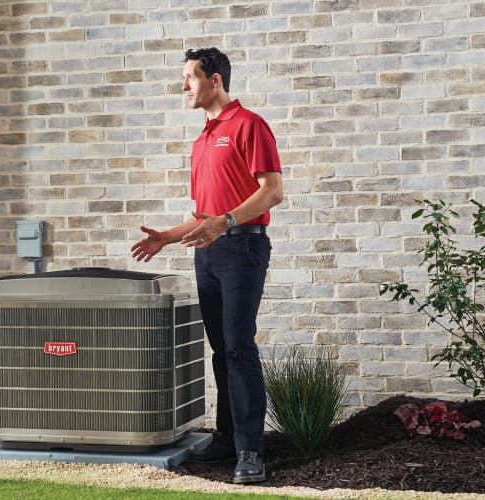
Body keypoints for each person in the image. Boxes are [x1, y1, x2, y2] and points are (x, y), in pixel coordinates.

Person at [130, 48, 283, 484]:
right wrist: (166, 236)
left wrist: (227, 221)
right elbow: (204, 214)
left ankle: (251, 449)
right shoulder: (202, 139)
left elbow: (272, 191)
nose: (183, 86)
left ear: (215, 80)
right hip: (209, 249)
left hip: (243, 249)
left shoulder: (249, 125)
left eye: (189, 77)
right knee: (220, 348)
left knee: (239, 346)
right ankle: (227, 436)